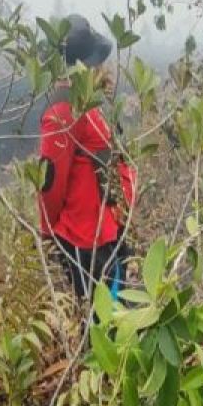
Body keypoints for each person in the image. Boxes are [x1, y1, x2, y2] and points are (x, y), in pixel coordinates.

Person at [37, 15, 135, 301]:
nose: (102, 68)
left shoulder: (89, 106)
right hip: (86, 242)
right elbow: (50, 182)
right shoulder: (64, 113)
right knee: (100, 323)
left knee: (107, 320)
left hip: (104, 236)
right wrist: (50, 234)